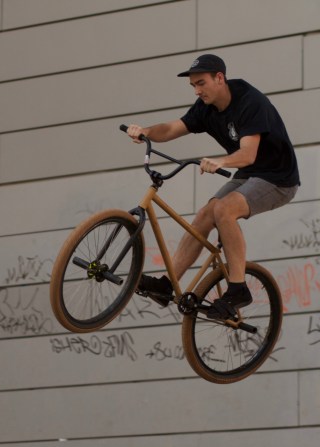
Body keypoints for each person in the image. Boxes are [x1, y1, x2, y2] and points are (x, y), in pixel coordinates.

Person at [125, 53, 300, 320]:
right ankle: (166, 285)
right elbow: (171, 129)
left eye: (201, 83)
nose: (197, 90)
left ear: (219, 78)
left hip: (278, 178)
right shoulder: (204, 108)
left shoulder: (250, 102)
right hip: (249, 174)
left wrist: (221, 161)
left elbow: (248, 154)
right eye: (193, 85)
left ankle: (238, 289)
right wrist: (145, 132)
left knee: (224, 209)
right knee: (205, 215)